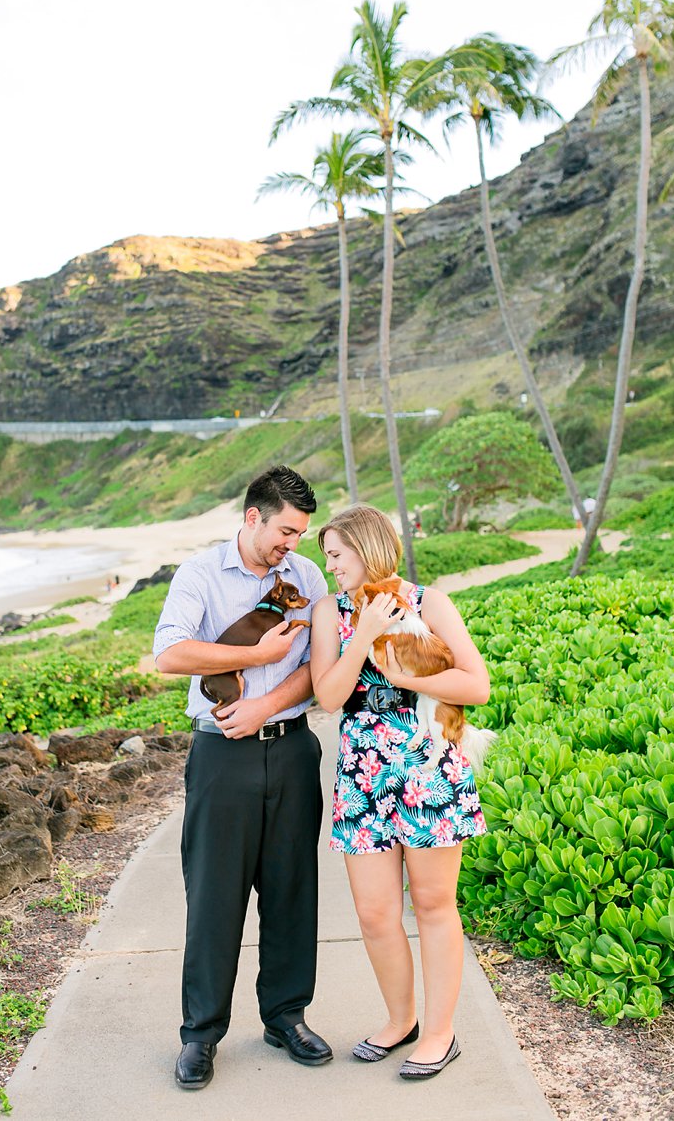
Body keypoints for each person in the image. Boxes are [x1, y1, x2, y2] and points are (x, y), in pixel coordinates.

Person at [152, 465, 329, 1090]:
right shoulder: (200, 573)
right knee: (214, 897)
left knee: (291, 891)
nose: (294, 545)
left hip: (291, 750)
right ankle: (200, 1034)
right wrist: (254, 657)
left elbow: (319, 668)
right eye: (285, 531)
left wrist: (264, 702)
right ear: (253, 517)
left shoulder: (305, 578)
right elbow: (171, 652)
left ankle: (286, 1017)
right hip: (219, 758)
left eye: (301, 534)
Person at [307, 503, 489, 1080]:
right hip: (362, 773)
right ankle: (401, 1020)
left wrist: (403, 677)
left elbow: (475, 685)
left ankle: (440, 1033)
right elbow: (330, 697)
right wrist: (362, 635)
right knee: (375, 911)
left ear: (366, 549)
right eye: (327, 556)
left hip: (428, 766)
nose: (330, 565)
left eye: (336, 554)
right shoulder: (327, 613)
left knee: (434, 904)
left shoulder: (429, 602)